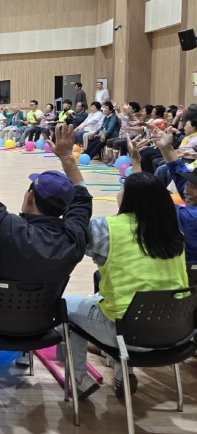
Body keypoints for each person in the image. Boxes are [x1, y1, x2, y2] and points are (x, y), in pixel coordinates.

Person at [64, 170, 187, 398]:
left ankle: (79, 381)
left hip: (126, 334)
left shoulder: (105, 228)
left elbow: (72, 241)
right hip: (175, 331)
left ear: (129, 197)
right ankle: (122, 373)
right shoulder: (174, 233)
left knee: (65, 306)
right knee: (114, 298)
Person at [0, 119, 92, 310]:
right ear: (66, 209)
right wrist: (67, 158)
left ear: (30, 197)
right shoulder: (74, 237)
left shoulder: (9, 228)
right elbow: (82, 200)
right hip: (41, 319)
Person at [139, 131, 197, 265]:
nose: (185, 190)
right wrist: (166, 148)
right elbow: (178, 170)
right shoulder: (191, 200)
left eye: (193, 186)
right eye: (187, 184)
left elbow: (148, 204)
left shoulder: (188, 216)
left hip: (183, 272)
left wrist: (136, 163)